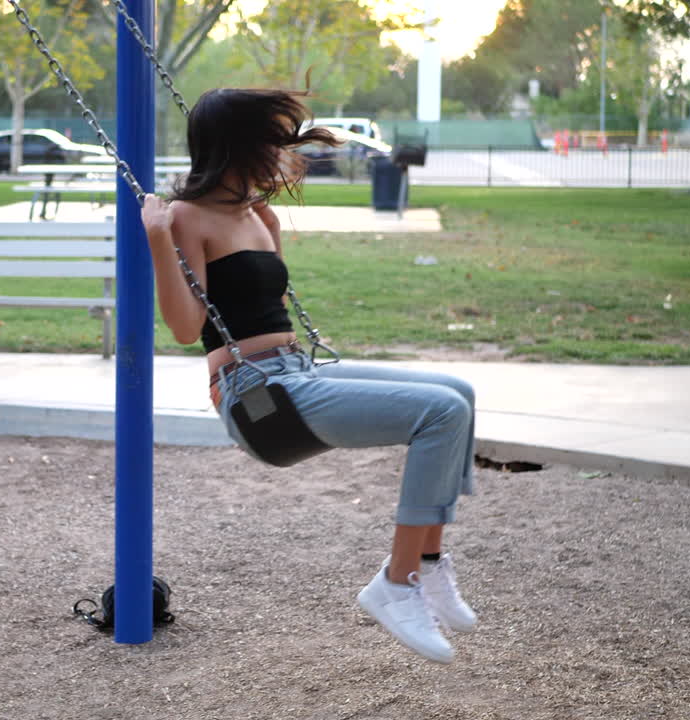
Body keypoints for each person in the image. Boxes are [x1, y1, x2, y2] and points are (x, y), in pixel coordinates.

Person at [139, 88, 478, 664]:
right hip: (257, 398)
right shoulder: (186, 218)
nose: (281, 153)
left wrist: (268, 227)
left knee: (457, 394)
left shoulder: (255, 214)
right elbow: (183, 325)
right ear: (238, 148)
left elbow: (261, 300)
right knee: (441, 414)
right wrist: (156, 238)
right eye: (270, 142)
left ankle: (425, 564)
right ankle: (394, 586)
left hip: (294, 371)